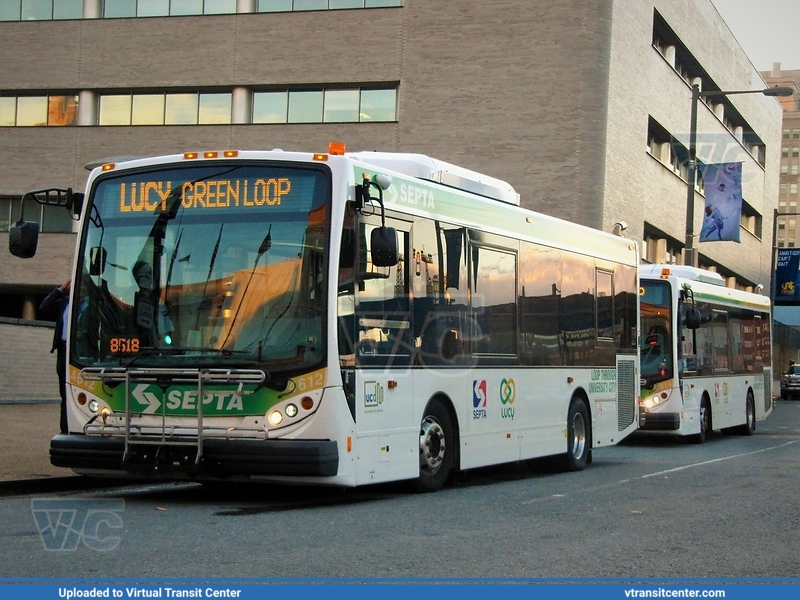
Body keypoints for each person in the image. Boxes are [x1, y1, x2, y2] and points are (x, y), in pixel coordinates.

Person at [40, 279, 71, 434]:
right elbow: (44, 306)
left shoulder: (88, 301)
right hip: (63, 349)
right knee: (65, 394)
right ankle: (65, 430)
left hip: (80, 349)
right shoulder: (64, 301)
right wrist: (60, 289)